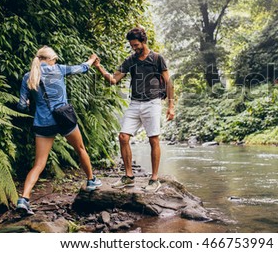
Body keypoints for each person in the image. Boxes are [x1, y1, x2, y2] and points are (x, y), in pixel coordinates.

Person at [16, 46, 102, 215]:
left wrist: (26, 105)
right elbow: (82, 68)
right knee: (80, 149)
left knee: (39, 164)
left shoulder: (28, 77)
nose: (55, 62)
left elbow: (21, 106)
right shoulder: (59, 69)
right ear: (50, 59)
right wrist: (92, 59)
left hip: (43, 123)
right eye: (54, 60)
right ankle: (91, 180)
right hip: (64, 119)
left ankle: (23, 199)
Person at [93, 26, 174, 192]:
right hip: (135, 103)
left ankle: (154, 179)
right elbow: (113, 80)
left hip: (153, 103)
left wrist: (171, 106)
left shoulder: (157, 58)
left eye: (136, 45)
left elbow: (168, 83)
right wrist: (99, 67)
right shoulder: (131, 60)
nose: (134, 48)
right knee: (123, 137)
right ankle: (129, 177)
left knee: (153, 139)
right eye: (132, 46)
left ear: (143, 41)